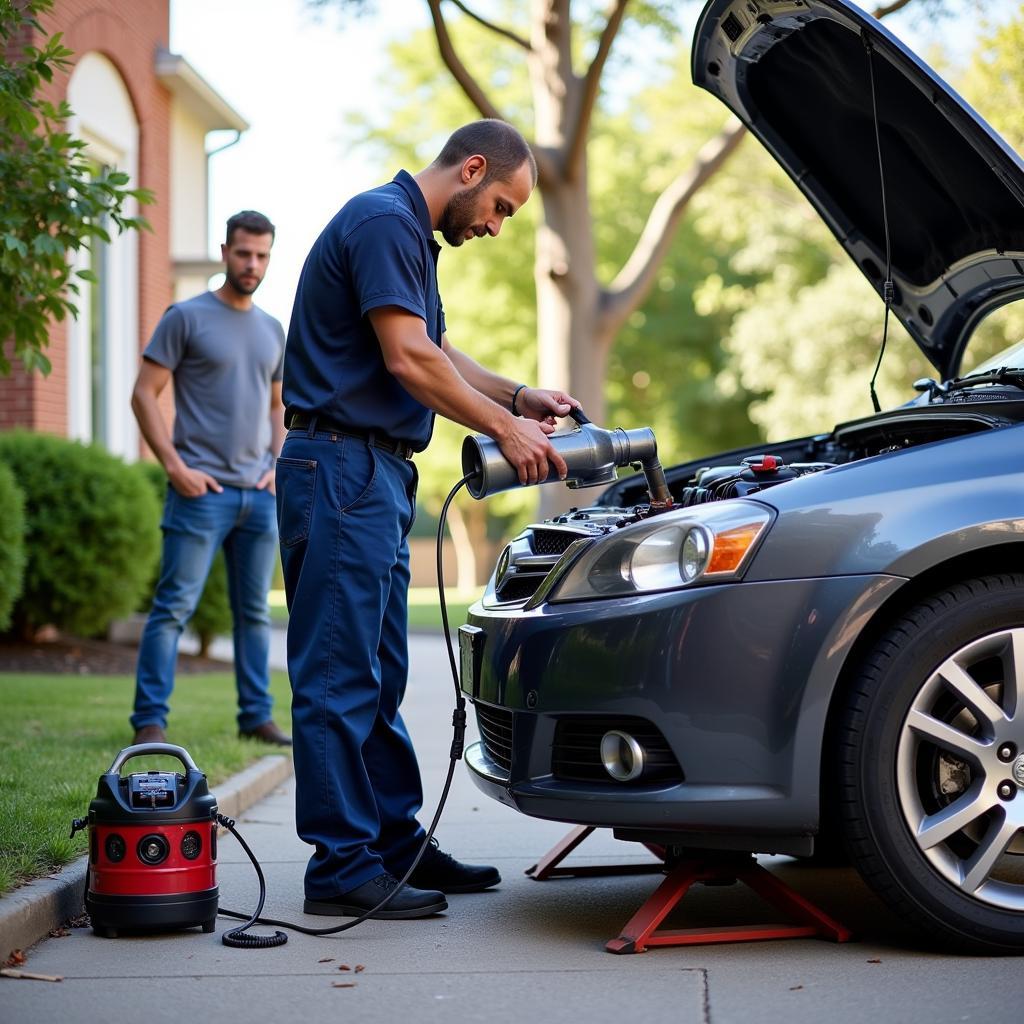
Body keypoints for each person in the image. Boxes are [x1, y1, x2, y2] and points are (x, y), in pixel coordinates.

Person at [277, 119, 580, 919]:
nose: (495, 225)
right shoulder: (383, 222)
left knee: (376, 674)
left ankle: (392, 845)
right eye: (503, 207)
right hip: (341, 465)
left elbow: (437, 348)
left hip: (371, 472)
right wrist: (504, 432)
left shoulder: (408, 235)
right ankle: (341, 867)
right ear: (473, 168)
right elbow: (409, 361)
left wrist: (520, 398)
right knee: (339, 675)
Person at [130, 210, 291, 748]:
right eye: (244, 253)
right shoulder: (186, 317)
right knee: (173, 608)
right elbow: (143, 395)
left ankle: (256, 716)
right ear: (225, 252)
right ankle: (149, 721)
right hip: (201, 495)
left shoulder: (272, 328)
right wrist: (175, 467)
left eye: (262, 255)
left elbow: (277, 405)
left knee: (252, 614)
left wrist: (276, 463)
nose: (252, 264)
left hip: (258, 497)